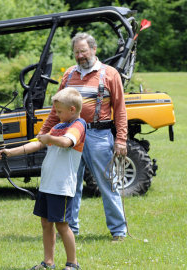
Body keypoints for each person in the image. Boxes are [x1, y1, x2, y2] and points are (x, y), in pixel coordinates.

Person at [39, 32, 128, 241]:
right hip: (70, 136)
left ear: (94, 50)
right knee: (70, 185)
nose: (80, 55)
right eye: (76, 52)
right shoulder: (69, 74)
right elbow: (56, 110)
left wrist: (121, 139)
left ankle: (119, 231)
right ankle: (71, 230)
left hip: (99, 135)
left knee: (107, 183)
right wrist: (44, 132)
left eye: (83, 51)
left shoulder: (110, 74)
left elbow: (120, 109)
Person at [0, 87, 85, 270]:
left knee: (62, 225)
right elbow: (37, 144)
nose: (57, 114)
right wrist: (10, 152)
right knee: (46, 223)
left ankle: (73, 263)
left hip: (62, 186)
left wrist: (48, 137)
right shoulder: (58, 126)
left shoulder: (78, 125)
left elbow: (67, 142)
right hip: (48, 184)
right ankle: (48, 262)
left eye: (59, 111)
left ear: (72, 110)